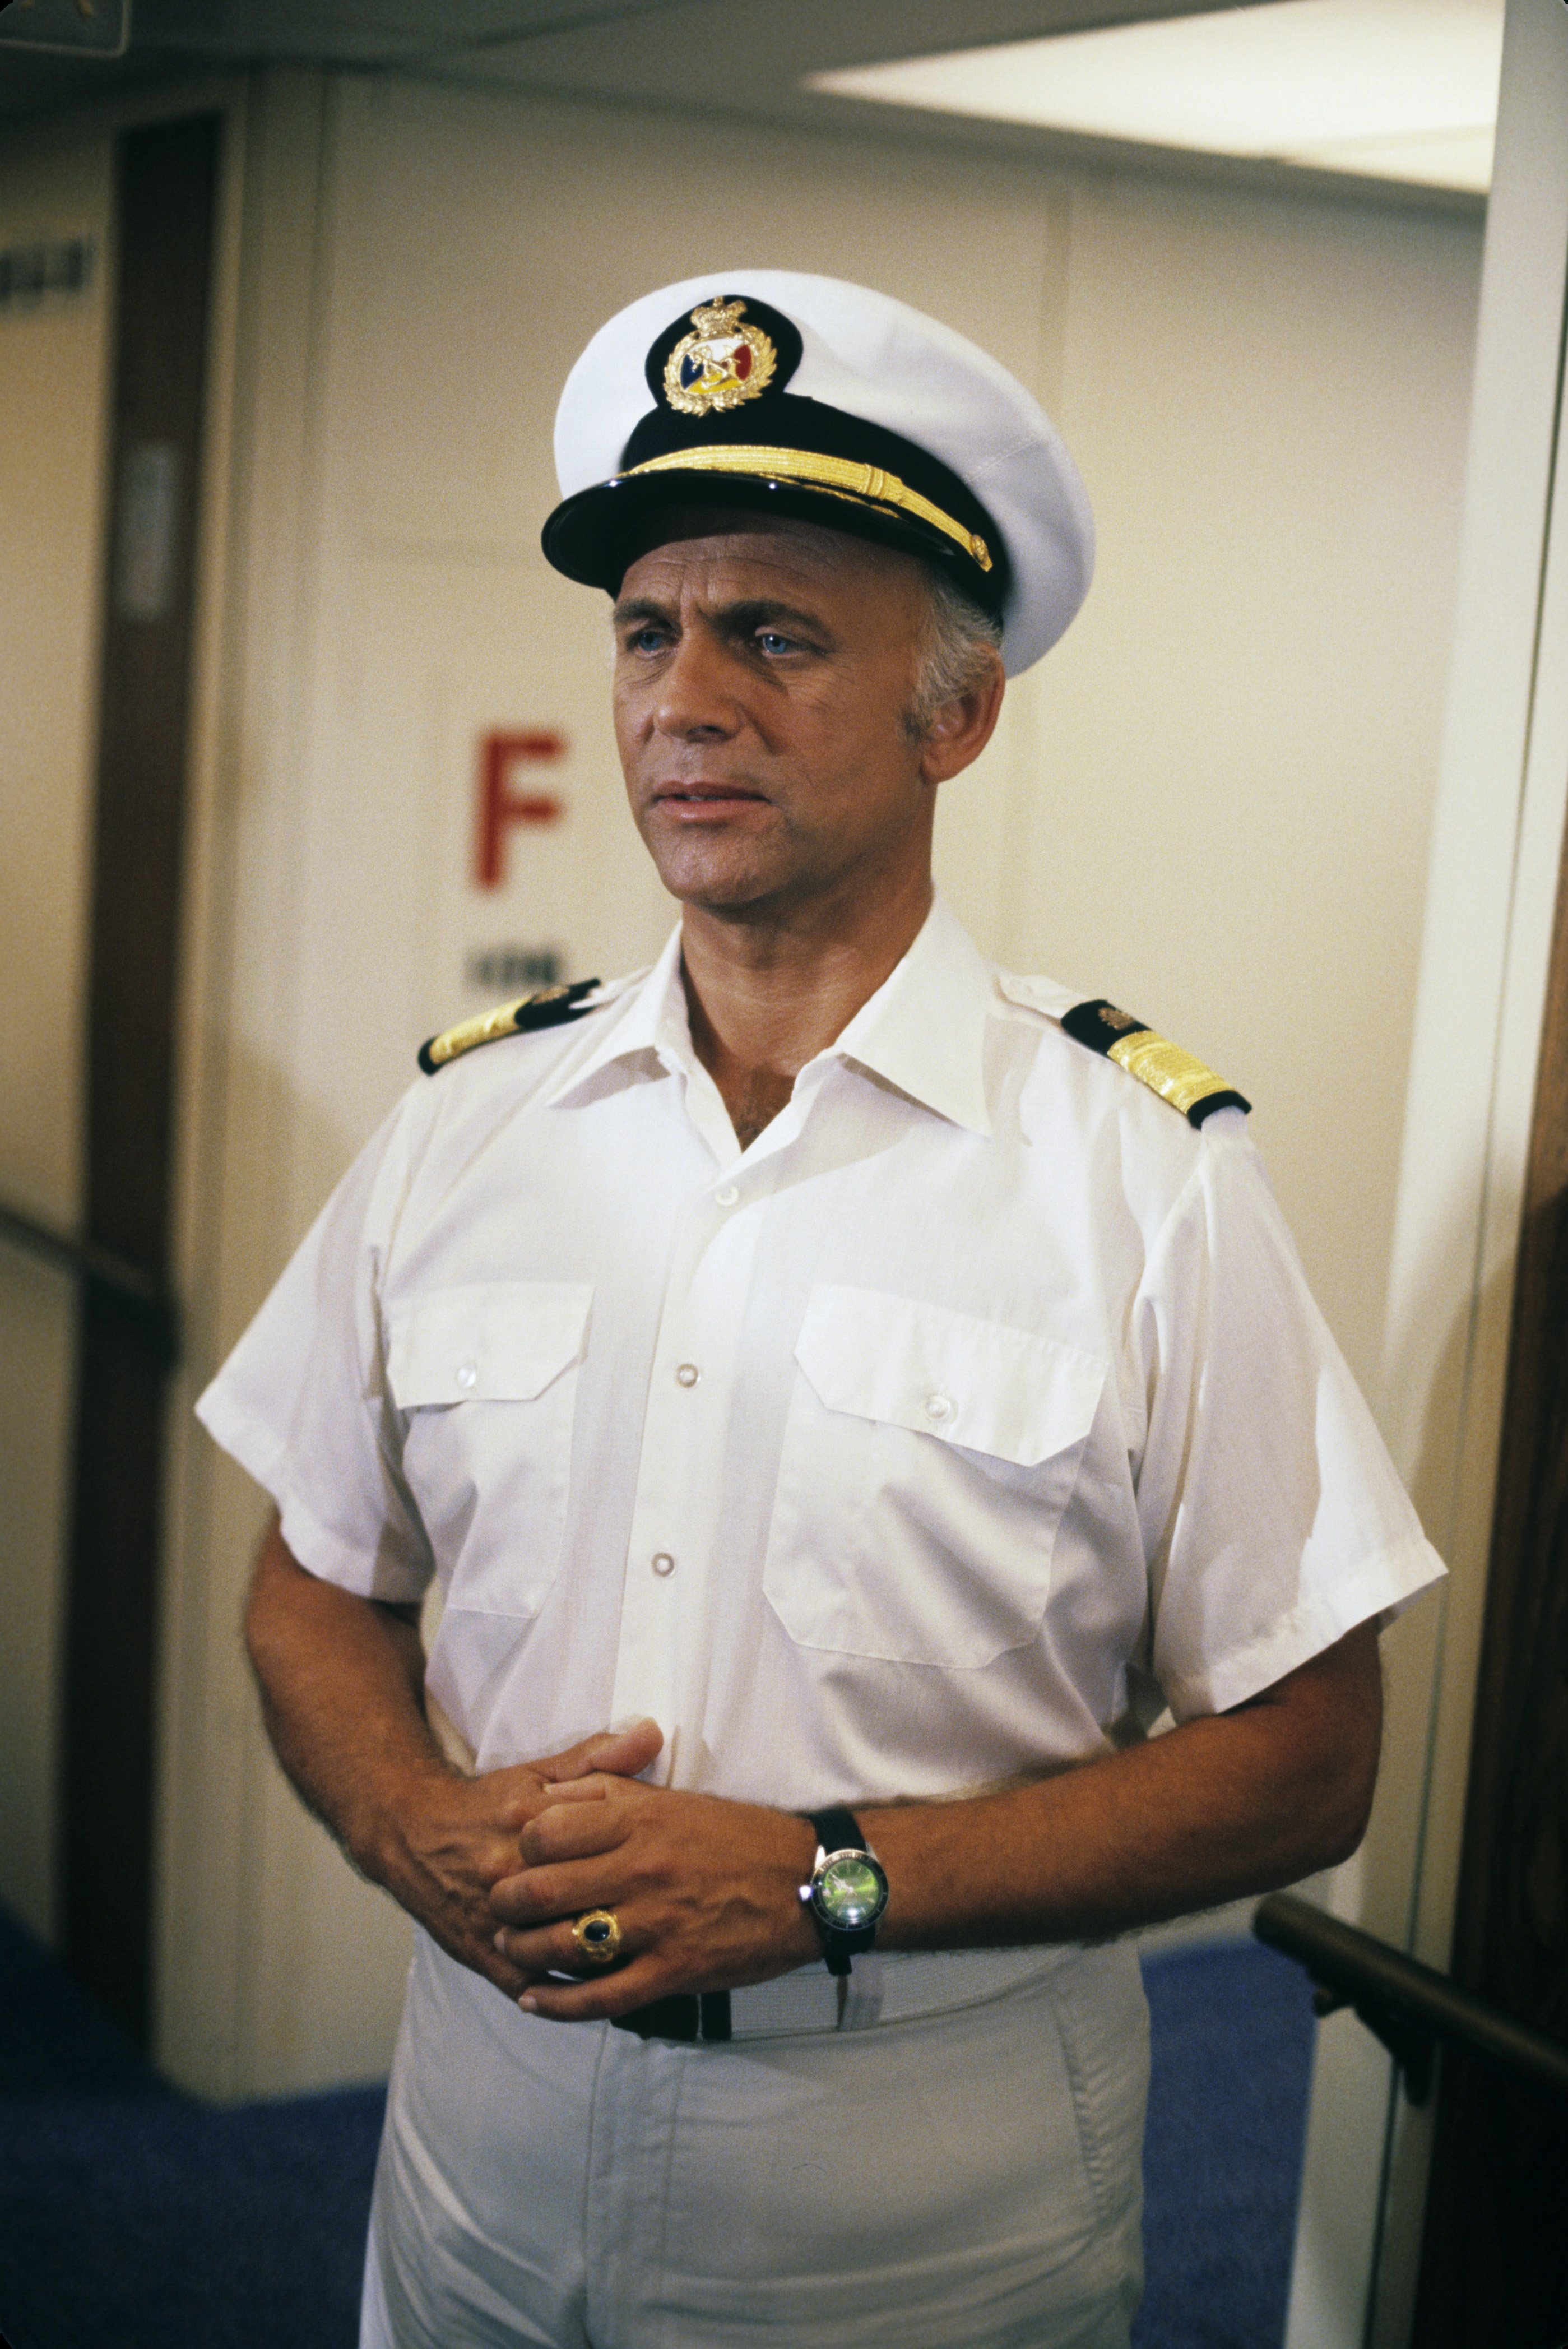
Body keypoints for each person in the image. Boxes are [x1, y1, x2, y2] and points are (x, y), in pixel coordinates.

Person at [198, 271, 1445, 2349]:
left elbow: (1310, 1756)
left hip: (919, 2199)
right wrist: (410, 1818)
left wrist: (822, 1881)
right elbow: (316, 1580)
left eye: (773, 635)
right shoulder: (467, 1126)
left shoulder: (1145, 1180)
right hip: (476, 2152)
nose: (684, 698)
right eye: (644, 631)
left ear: (954, 713)